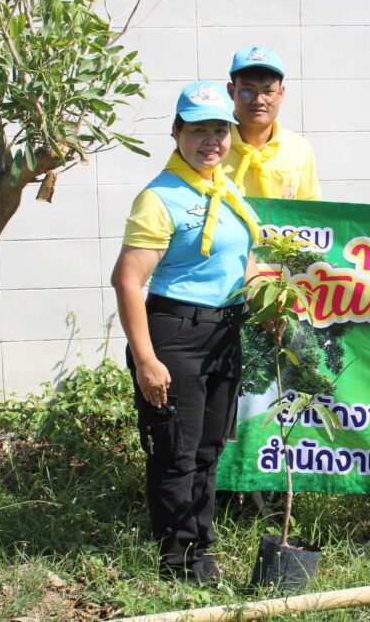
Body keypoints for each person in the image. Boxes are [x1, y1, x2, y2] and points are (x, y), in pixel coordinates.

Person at [111, 81, 261, 582]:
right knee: (176, 452)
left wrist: (268, 299)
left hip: (224, 334)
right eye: (198, 130)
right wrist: (146, 360)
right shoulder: (160, 197)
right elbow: (127, 280)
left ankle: (202, 551)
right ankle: (178, 563)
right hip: (175, 334)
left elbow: (241, 258)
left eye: (220, 130)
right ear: (176, 133)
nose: (210, 141)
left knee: (208, 450)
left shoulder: (225, 187)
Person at [222, 45, 321, 200]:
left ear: (281, 93)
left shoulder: (299, 148)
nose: (258, 100)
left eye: (268, 91)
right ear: (231, 91)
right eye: (248, 90)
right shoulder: (213, 147)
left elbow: (310, 209)